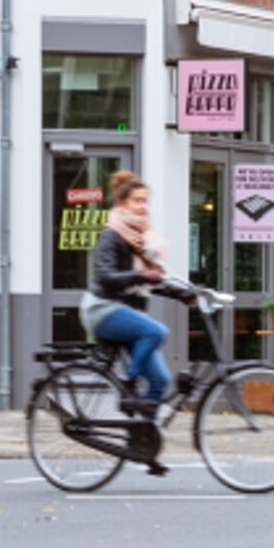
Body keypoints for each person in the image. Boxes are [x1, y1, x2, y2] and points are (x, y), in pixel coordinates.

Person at [80, 171, 192, 415]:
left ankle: (142, 441)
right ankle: (129, 381)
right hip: (102, 308)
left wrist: (181, 294)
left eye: (145, 201)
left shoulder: (141, 238)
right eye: (137, 201)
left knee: (160, 380)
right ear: (123, 204)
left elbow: (153, 279)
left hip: (126, 312)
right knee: (157, 331)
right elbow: (105, 276)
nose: (143, 207)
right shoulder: (112, 234)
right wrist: (140, 276)